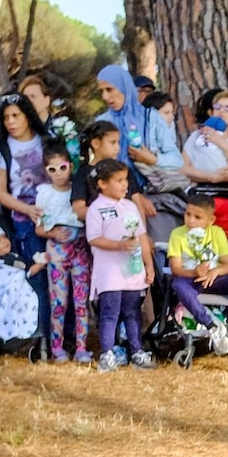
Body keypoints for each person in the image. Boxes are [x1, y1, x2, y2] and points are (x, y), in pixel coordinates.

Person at [83, 157, 155, 370]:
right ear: (102, 184)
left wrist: (148, 265)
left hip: (132, 271)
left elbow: (141, 236)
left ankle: (137, 351)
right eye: (119, 180)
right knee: (110, 313)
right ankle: (107, 353)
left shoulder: (131, 206)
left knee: (133, 312)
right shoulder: (96, 209)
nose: (125, 185)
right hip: (109, 273)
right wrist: (119, 246)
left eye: (126, 180)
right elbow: (94, 238)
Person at [165, 190, 228, 337]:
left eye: (197, 217)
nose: (191, 220)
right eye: (187, 214)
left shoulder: (217, 233)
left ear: (211, 220)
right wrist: (195, 272)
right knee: (178, 284)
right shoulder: (177, 234)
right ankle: (210, 324)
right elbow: (176, 269)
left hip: (216, 280)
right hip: (192, 281)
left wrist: (214, 272)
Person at [36, 150, 91, 364]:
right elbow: (39, 228)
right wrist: (52, 233)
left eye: (63, 167)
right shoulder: (44, 193)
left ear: (70, 166)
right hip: (56, 250)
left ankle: (81, 347)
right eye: (52, 169)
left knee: (81, 300)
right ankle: (56, 346)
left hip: (79, 247)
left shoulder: (78, 189)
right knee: (58, 300)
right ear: (46, 171)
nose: (58, 173)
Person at [0, 92, 50, 260]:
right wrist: (27, 210)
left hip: (55, 216)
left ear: (27, 116)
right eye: (6, 117)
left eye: (15, 115)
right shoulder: (2, 150)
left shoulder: (47, 141)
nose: (10, 122)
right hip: (24, 223)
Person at [95, 64, 175, 177]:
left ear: (124, 87)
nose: (105, 97)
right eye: (101, 91)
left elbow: (175, 160)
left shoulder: (150, 118)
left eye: (109, 89)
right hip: (111, 188)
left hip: (152, 187)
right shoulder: (102, 121)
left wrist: (150, 159)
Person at [68, 119, 154, 223]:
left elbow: (137, 203)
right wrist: (110, 211)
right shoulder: (83, 174)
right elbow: (78, 211)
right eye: (112, 143)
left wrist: (143, 232)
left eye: (118, 143)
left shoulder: (125, 170)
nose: (117, 148)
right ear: (96, 143)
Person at [183, 89, 228, 188]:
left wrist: (223, 144)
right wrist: (213, 177)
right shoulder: (197, 136)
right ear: (211, 113)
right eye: (217, 108)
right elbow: (182, 169)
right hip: (199, 194)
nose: (221, 111)